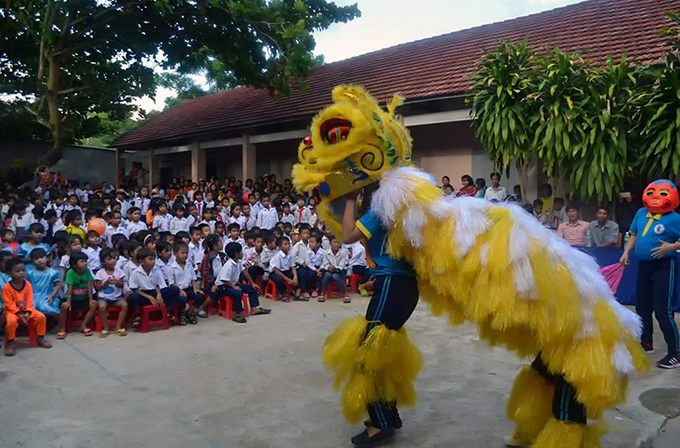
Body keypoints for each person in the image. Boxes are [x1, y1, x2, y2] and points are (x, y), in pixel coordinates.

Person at [341, 187, 417, 445]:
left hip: (393, 286)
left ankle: (380, 424)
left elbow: (347, 235)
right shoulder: (398, 211)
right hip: (400, 287)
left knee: (368, 355)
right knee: (382, 354)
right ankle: (388, 414)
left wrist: (350, 197)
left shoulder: (379, 210)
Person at [620, 180, 680, 369]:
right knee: (642, 307)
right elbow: (634, 234)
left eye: (662, 194)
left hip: (664, 266)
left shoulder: (674, 218)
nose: (657, 197)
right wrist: (626, 251)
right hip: (644, 266)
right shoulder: (641, 213)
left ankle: (675, 354)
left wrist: (673, 246)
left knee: (663, 311)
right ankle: (647, 342)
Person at [3, 259, 52, 356]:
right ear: (9, 274)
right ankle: (11, 341)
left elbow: (30, 301)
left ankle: (40, 337)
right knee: (11, 322)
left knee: (41, 317)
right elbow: (9, 304)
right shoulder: (7, 288)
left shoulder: (28, 285)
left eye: (23, 270)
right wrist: (18, 314)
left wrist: (28, 312)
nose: (21, 273)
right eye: (17, 271)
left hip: (27, 310)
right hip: (13, 312)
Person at [214, 242, 270, 323]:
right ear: (236, 254)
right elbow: (224, 279)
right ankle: (237, 312)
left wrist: (252, 283)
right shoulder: (228, 265)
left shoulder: (238, 262)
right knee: (237, 293)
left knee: (252, 289)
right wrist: (233, 286)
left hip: (232, 284)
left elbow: (244, 272)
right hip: (223, 286)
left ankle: (254, 308)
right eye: (241, 252)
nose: (243, 253)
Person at [128, 249, 182, 315]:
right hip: (143, 294)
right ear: (141, 261)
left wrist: (159, 294)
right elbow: (135, 289)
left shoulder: (156, 270)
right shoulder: (135, 272)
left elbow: (157, 285)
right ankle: (138, 315)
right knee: (132, 297)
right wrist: (149, 297)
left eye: (154, 259)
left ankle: (167, 311)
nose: (153, 261)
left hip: (154, 292)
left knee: (175, 290)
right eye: (150, 259)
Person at [58, 252, 97, 339]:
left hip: (84, 297)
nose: (85, 263)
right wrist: (68, 302)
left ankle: (83, 325)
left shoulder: (87, 271)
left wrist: (91, 300)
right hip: (71, 297)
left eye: (86, 261)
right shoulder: (70, 272)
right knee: (63, 307)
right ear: (75, 264)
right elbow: (70, 288)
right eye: (82, 261)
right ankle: (62, 328)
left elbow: (89, 286)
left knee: (94, 305)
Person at [94, 248, 128, 336]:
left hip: (117, 297)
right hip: (104, 297)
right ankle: (105, 327)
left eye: (114, 258)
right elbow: (98, 287)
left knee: (125, 305)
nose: (112, 261)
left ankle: (118, 326)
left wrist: (117, 282)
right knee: (101, 306)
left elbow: (121, 285)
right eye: (109, 259)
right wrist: (105, 283)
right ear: (103, 261)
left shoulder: (119, 272)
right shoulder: (100, 273)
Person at [170, 242, 205, 323]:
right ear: (175, 254)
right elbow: (172, 282)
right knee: (182, 299)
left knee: (200, 296)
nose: (185, 255)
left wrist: (195, 288)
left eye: (186, 253)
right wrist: (179, 290)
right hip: (178, 290)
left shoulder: (189, 265)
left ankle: (190, 311)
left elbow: (193, 278)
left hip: (189, 288)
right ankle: (182, 313)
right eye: (182, 253)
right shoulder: (172, 267)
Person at [25, 248, 62, 317]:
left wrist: (52, 296)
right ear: (32, 261)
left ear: (47, 258)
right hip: (33, 297)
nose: (40, 260)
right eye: (36, 259)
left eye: (41, 257)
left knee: (46, 307)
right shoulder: (30, 273)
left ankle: (60, 325)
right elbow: (27, 286)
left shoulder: (53, 272)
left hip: (48, 296)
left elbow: (57, 286)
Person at [321, 235, 350, 303]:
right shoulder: (326, 253)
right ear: (330, 243)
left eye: (338, 242)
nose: (337, 244)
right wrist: (329, 267)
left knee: (335, 275)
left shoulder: (344, 252)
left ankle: (344, 292)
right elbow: (325, 264)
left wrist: (334, 268)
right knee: (327, 274)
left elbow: (342, 265)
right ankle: (323, 292)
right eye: (335, 242)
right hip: (329, 270)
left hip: (340, 270)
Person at [269, 236, 298, 302]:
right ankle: (282, 294)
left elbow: (292, 266)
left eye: (288, 244)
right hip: (275, 272)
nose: (288, 246)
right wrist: (287, 279)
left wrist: (295, 277)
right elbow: (277, 271)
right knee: (279, 279)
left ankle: (294, 290)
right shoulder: (277, 256)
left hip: (285, 271)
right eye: (285, 244)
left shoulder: (290, 255)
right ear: (280, 247)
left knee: (297, 274)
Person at [291, 224, 310, 298]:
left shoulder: (310, 244)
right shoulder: (298, 245)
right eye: (304, 233)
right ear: (300, 235)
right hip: (299, 265)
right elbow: (293, 256)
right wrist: (301, 262)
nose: (306, 235)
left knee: (311, 274)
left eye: (307, 233)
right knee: (302, 273)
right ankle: (299, 291)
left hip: (309, 264)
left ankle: (308, 289)